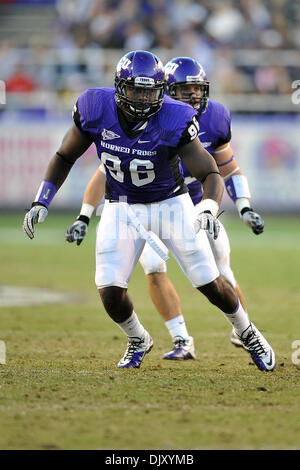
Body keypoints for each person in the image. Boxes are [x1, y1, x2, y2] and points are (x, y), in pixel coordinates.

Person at [23, 50, 275, 371]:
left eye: (150, 91)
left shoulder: (175, 116)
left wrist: (209, 207)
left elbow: (211, 173)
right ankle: (139, 338)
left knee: (209, 281)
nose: (143, 99)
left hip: (172, 203)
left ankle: (247, 331)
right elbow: (64, 155)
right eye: (135, 90)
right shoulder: (94, 107)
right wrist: (42, 200)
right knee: (110, 291)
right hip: (122, 205)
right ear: (119, 87)